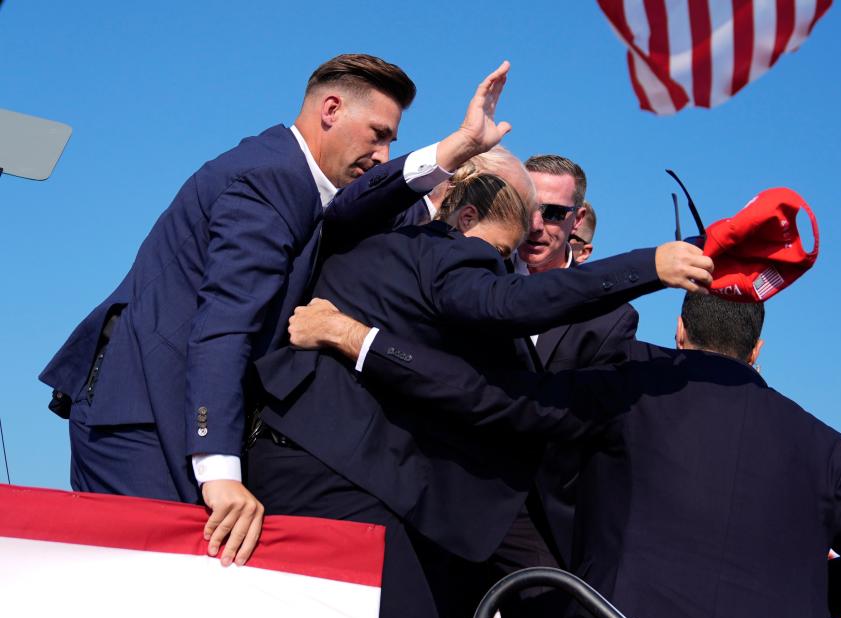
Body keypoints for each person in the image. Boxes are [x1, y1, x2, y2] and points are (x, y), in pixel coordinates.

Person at [39, 54, 513, 567]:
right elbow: (226, 323)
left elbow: (358, 207)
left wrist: (453, 154)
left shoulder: (297, 176)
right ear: (331, 109)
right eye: (378, 134)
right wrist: (219, 470)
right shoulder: (268, 181)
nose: (383, 154)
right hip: (139, 419)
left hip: (169, 412)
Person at [250, 172, 712, 618]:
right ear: (468, 215)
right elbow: (493, 331)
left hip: (408, 490)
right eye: (502, 251)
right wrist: (652, 265)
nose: (504, 261)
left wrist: (349, 335)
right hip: (379, 488)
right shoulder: (455, 256)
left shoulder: (374, 243)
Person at [304, 293, 841, 618]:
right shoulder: (823, 443)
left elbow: (493, 399)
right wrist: (805, 599)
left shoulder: (634, 391)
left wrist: (363, 340)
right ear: (758, 349)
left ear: (678, 330)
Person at [516, 155, 639, 569]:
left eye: (552, 213)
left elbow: (590, 430)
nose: (536, 225)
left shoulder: (609, 319)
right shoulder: (473, 275)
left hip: (543, 530)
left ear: (577, 218)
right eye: (527, 206)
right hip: (452, 510)